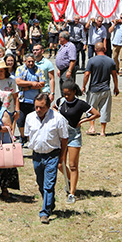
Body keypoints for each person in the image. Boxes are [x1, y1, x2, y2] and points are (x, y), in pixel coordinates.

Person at [25, 93, 69, 224]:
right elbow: (28, 135)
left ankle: (44, 212)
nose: (38, 110)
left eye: (41, 107)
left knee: (49, 184)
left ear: (48, 106)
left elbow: (64, 138)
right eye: (36, 107)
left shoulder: (58, 119)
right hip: (37, 155)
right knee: (41, 182)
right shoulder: (30, 117)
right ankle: (50, 203)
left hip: (52, 155)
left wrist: (61, 156)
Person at [56, 81, 99, 204]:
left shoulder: (80, 104)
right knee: (60, 164)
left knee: (73, 165)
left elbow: (96, 114)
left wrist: (83, 120)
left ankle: (72, 193)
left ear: (74, 92)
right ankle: (70, 179)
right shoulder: (60, 102)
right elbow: (53, 108)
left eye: (68, 94)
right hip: (62, 135)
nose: (66, 96)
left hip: (74, 135)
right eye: (64, 94)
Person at [81, 43, 119, 136]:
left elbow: (86, 74)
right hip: (106, 89)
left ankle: (92, 127)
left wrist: (83, 86)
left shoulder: (92, 61)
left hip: (94, 89)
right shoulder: (110, 61)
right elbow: (114, 75)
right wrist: (116, 87)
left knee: (91, 109)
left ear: (95, 49)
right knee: (104, 109)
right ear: (104, 49)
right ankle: (103, 131)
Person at [15, 54, 46, 146]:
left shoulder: (39, 69)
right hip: (22, 100)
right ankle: (23, 137)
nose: (31, 63)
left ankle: (32, 138)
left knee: (35, 121)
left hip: (35, 101)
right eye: (29, 61)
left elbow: (42, 83)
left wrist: (27, 86)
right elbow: (18, 82)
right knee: (20, 121)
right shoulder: (20, 69)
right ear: (25, 61)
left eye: (32, 61)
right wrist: (32, 83)